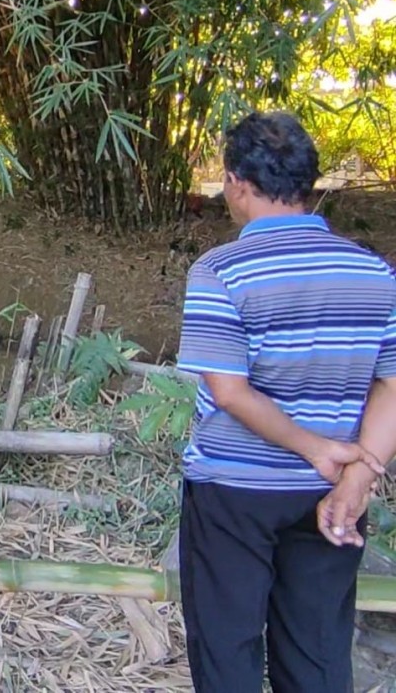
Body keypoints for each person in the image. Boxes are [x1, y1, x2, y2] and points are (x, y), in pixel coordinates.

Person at [175, 110, 396, 692]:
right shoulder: (374, 274)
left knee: (229, 651)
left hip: (233, 493)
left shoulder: (220, 271)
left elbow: (228, 390)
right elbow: (393, 385)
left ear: (237, 183)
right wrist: (357, 477)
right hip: (331, 493)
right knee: (319, 652)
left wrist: (316, 447)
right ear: (306, 184)